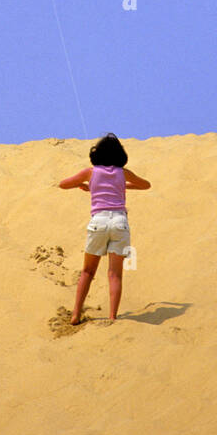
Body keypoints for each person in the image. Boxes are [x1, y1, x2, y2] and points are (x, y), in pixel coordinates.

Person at [58, 133, 151, 324]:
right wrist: (123, 187)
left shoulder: (90, 172)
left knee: (87, 272)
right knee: (114, 274)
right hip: (119, 222)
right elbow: (146, 185)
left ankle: (76, 313)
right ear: (119, 155)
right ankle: (112, 316)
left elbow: (63, 184)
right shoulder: (123, 173)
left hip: (98, 222)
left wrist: (86, 184)